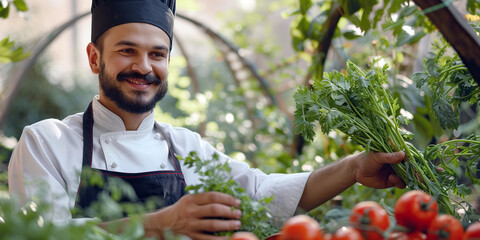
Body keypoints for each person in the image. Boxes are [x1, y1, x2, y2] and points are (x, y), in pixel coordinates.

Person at [7, 0, 406, 239]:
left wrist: (354, 167)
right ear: (95, 57)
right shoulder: (47, 143)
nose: (143, 67)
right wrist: (162, 223)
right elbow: (45, 235)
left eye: (157, 54)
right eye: (127, 51)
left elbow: (264, 196)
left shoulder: (186, 147)